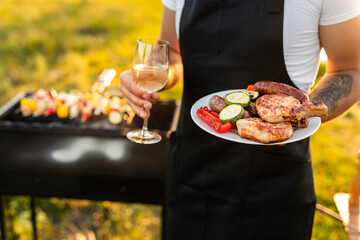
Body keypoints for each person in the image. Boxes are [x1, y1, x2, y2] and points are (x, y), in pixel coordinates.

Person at [119, 0, 360, 239]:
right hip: (191, 171)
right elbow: (172, 52)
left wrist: (302, 113)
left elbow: (350, 69)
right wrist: (150, 74)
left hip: (274, 185)